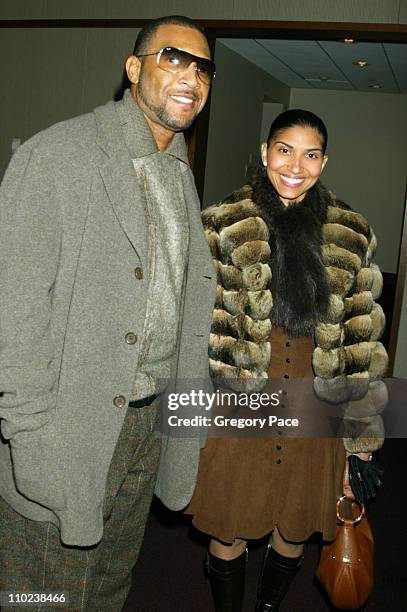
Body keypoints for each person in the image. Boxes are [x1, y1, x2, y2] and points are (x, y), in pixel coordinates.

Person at [0, 15, 216, 611]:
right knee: (42, 592)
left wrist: (185, 428)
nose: (191, 77)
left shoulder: (178, 174)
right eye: (174, 58)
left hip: (146, 424)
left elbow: (185, 314)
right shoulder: (56, 157)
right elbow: (13, 316)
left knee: (110, 583)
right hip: (68, 426)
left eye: (203, 68)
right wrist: (31, 436)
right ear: (133, 68)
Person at [185, 109, 387, 611]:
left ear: (324, 161)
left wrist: (360, 440)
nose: (296, 165)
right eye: (284, 149)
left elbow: (359, 347)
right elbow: (191, 328)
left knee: (295, 525)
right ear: (264, 153)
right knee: (229, 521)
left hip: (315, 402)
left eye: (311, 153)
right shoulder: (222, 223)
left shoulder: (352, 232)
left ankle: (268, 608)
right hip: (238, 401)